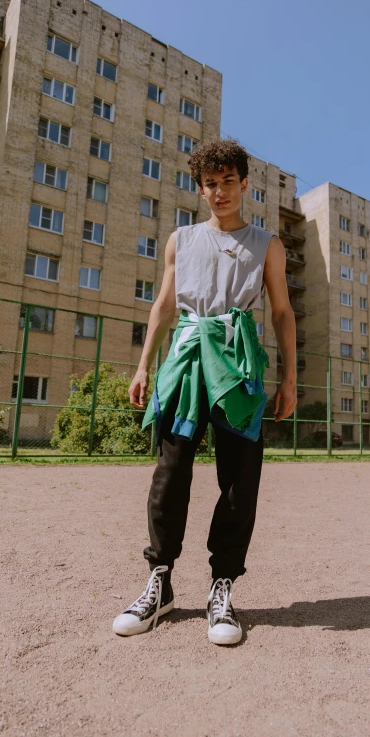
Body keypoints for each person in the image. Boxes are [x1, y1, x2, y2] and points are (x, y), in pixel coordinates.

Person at [112, 138, 297, 644]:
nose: (219, 192)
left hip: (238, 367)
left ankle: (223, 587)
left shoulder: (267, 245)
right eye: (210, 184)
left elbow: (281, 311)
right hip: (187, 362)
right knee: (170, 473)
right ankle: (159, 582)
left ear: (244, 184)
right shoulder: (181, 239)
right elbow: (164, 306)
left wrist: (289, 377)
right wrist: (144, 365)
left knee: (239, 481)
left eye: (228, 182)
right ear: (201, 188)